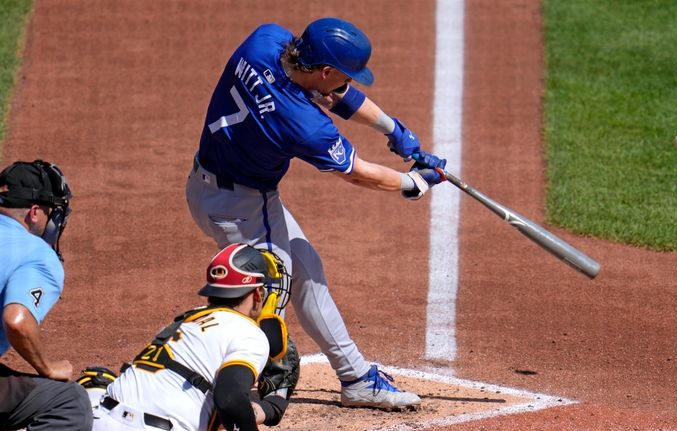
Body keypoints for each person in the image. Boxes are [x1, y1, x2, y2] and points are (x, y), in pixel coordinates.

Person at [185, 17, 446, 409]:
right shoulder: (303, 126)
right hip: (246, 208)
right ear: (325, 69)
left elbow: (333, 93)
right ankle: (209, 383)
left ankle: (355, 376)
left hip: (206, 186)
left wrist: (393, 129)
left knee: (306, 270)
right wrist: (413, 183)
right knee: (263, 303)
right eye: (344, 73)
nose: (350, 81)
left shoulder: (266, 40)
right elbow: (358, 174)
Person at [91, 243, 298, 430]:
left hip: (99, 417)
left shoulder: (185, 321)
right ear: (257, 294)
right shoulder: (249, 332)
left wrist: (270, 408)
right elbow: (230, 400)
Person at [0, 160, 92, 430]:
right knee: (69, 402)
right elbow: (17, 320)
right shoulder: (36, 253)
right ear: (35, 212)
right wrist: (47, 367)